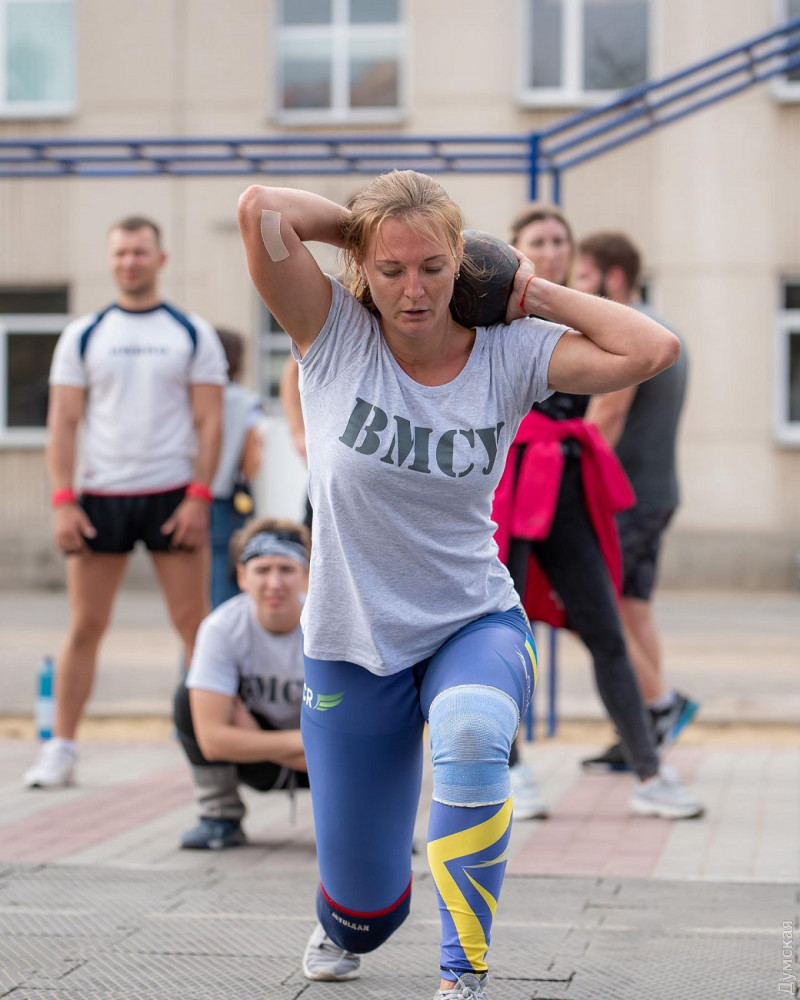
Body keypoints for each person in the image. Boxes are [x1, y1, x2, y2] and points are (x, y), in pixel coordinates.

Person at [237, 169, 681, 999]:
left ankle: (462, 975)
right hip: (352, 643)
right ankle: (346, 918)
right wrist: (367, 233)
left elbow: (651, 349)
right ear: (364, 270)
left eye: (434, 268)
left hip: (471, 621)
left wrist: (529, 293)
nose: (414, 291)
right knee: (365, 911)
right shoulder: (332, 333)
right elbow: (260, 209)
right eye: (392, 270)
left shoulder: (508, 353)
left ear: (462, 266)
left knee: (475, 735)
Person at [493, 203, 703, 823]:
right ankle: (508, 770)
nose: (552, 249)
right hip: (509, 487)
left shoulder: (581, 318)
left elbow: (643, 356)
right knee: (502, 631)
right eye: (538, 240)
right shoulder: (489, 315)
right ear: (516, 247)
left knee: (606, 628)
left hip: (566, 486)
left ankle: (650, 772)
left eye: (561, 239)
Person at [24, 216, 226, 790]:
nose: (129, 262)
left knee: (195, 627)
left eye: (139, 252)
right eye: (120, 253)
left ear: (160, 260)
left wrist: (198, 496)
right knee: (85, 626)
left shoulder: (191, 332)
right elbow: (63, 422)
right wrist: (63, 501)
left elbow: (210, 422)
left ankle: (210, 749)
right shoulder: (85, 334)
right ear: (110, 260)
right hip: (101, 497)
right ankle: (61, 748)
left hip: (172, 496)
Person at [576, 231, 698, 770]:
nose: (579, 288)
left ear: (615, 277)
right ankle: (645, 728)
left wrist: (570, 477)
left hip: (624, 498)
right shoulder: (667, 327)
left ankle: (659, 707)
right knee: (634, 609)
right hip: (658, 493)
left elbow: (607, 416)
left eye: (585, 277)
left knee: (599, 611)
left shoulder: (628, 331)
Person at [174, 516, 309, 850]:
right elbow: (212, 741)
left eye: (286, 569)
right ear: (242, 577)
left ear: (307, 576)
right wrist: (303, 745)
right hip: (276, 758)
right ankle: (219, 816)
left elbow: (351, 743)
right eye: (262, 570)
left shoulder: (331, 628)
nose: (274, 583)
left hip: (322, 766)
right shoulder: (221, 628)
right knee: (188, 696)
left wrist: (252, 739)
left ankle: (371, 827)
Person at [209, 329, 264, 608]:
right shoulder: (245, 402)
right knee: (226, 581)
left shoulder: (190, 395)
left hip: (186, 497)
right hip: (227, 501)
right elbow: (250, 465)